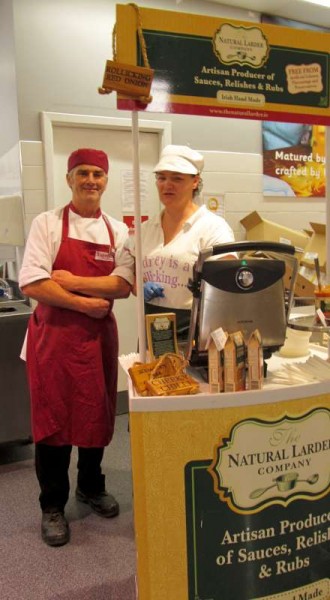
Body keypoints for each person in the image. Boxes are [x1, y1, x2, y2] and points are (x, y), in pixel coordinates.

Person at [19, 148, 134, 547]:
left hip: (97, 341)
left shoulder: (118, 231)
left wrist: (67, 280)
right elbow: (33, 282)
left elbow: (123, 284)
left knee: (95, 413)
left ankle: (90, 486)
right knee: (53, 423)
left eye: (98, 174)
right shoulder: (47, 223)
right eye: (82, 173)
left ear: (105, 180)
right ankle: (52, 505)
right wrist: (86, 302)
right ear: (69, 179)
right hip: (53, 340)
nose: (91, 180)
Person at [131, 144, 235, 343]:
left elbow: (227, 281)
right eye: (161, 178)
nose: (167, 185)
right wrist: (139, 287)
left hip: (194, 329)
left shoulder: (213, 227)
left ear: (195, 181)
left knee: (188, 375)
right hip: (150, 327)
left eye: (177, 178)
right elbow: (134, 275)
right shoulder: (146, 229)